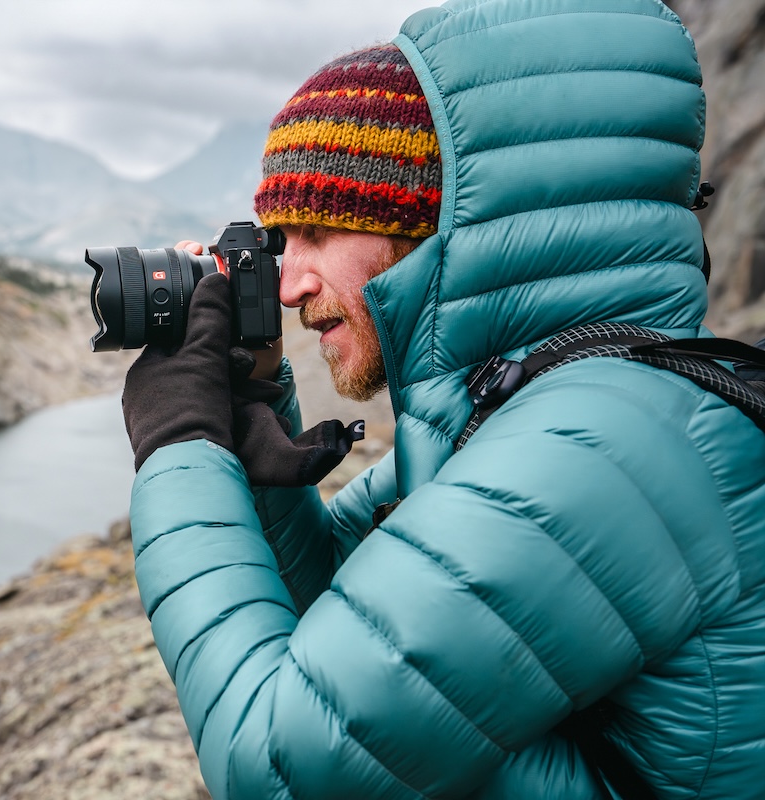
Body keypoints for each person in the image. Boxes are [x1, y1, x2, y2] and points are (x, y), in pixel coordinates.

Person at [119, 0, 765, 797]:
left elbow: (281, 771)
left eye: (315, 231)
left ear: (430, 220)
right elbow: (346, 634)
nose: (287, 284)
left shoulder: (590, 452)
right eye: (277, 243)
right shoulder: (508, 414)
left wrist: (178, 441)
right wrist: (250, 417)